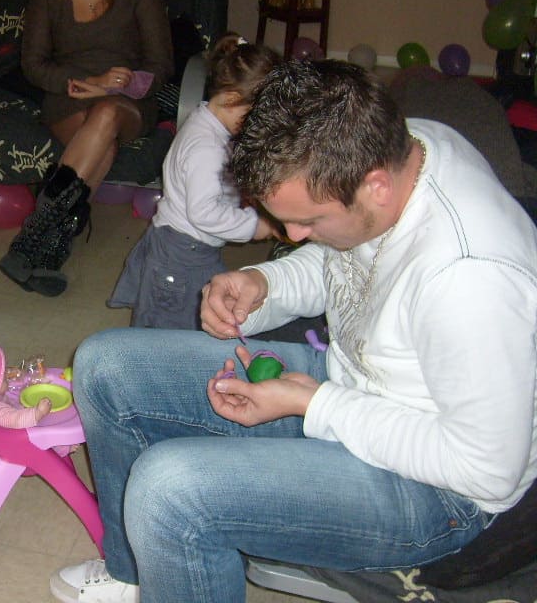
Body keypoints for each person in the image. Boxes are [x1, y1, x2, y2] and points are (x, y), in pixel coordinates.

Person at [50, 60, 537, 603]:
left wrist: (316, 405)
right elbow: (341, 257)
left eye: (308, 221)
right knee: (106, 365)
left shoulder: (470, 279)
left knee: (169, 490)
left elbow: (485, 471)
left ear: (376, 186)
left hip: (440, 491)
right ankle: (137, 576)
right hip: (353, 386)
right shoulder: (398, 147)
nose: (293, 235)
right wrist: (265, 284)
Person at [0, 0, 174, 297]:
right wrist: (82, 83)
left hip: (126, 101)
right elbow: (33, 63)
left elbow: (162, 65)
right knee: (102, 144)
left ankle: (31, 237)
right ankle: (49, 249)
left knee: (107, 114)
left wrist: (119, 82)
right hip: (69, 96)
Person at [107, 34, 280, 329]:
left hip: (178, 241)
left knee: (183, 316)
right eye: (255, 116)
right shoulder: (206, 148)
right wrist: (254, 226)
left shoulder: (204, 122)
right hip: (185, 252)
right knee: (174, 326)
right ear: (231, 99)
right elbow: (205, 213)